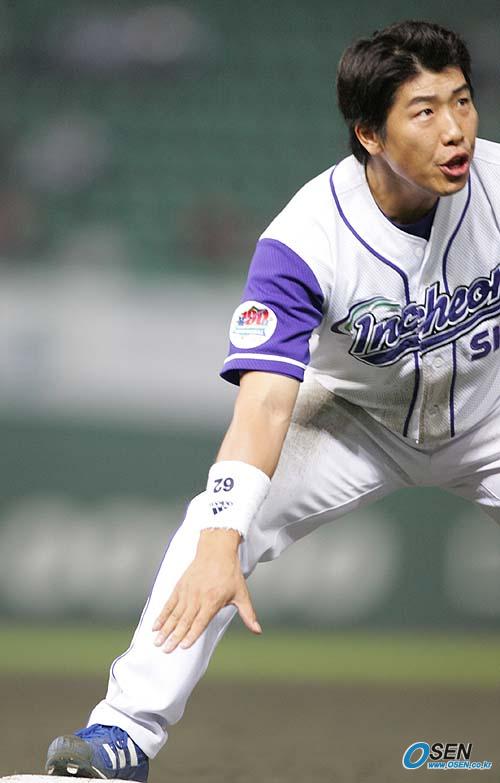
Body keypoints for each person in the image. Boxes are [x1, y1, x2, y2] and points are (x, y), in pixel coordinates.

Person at [46, 19, 500, 781]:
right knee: (213, 527)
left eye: (462, 100)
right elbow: (263, 405)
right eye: (424, 111)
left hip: (491, 414)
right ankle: (121, 735)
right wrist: (223, 540)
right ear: (370, 135)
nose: (455, 128)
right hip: (358, 419)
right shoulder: (305, 238)